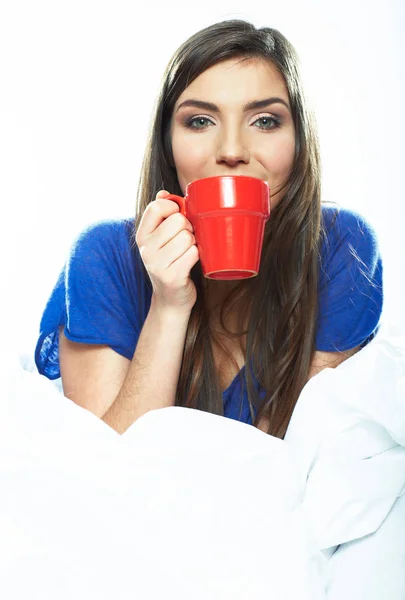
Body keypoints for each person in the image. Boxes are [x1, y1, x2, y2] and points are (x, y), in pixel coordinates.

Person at [34, 19, 383, 438]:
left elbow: (294, 457)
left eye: (265, 121)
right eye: (200, 121)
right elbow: (107, 472)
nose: (232, 151)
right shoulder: (104, 257)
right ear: (168, 143)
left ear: (299, 141)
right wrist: (168, 305)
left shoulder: (341, 247)